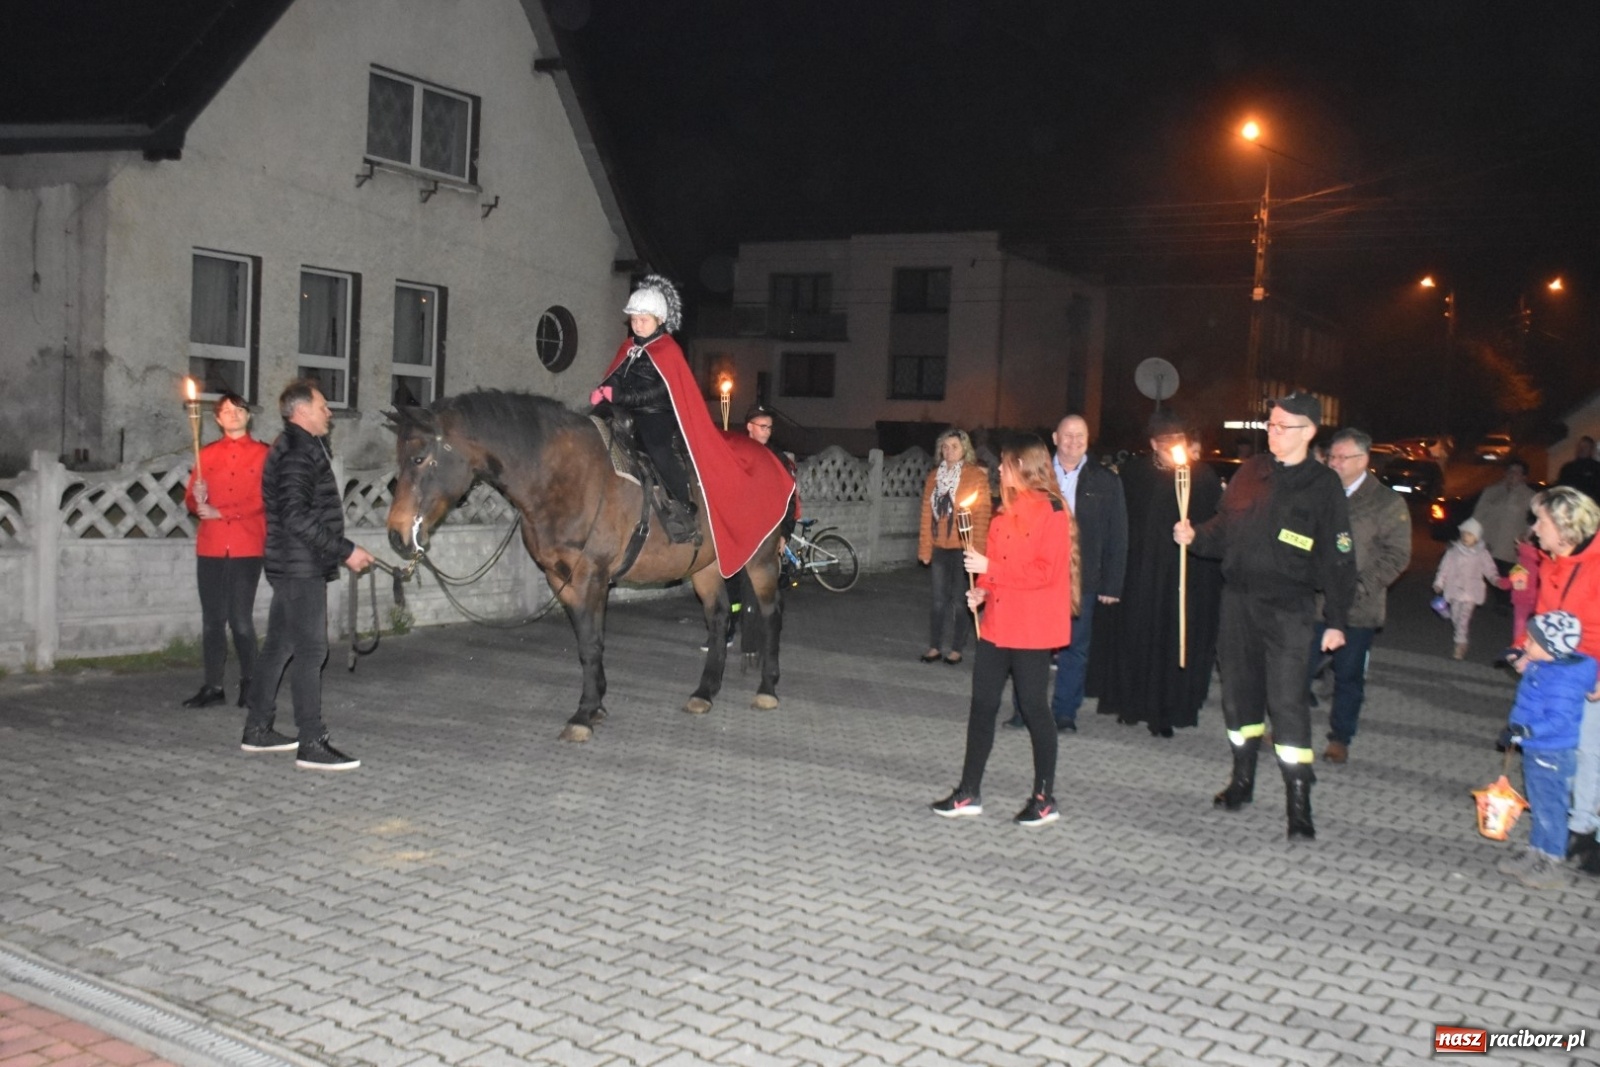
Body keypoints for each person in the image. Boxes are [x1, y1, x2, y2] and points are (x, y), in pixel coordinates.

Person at [1174, 392, 1355, 839]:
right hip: (1237, 604)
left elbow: (1338, 556)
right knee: (1239, 699)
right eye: (1270, 425)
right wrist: (1194, 535)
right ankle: (1242, 780)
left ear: (1309, 431)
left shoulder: (1323, 485)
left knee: (1287, 703)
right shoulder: (1250, 472)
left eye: (1282, 426)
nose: (1272, 433)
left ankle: (1299, 802)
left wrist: (1336, 619)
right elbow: (1223, 530)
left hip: (1288, 609)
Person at [931, 437, 1073, 826]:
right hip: (997, 624)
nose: (999, 470)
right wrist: (983, 590)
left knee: (1033, 707)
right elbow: (997, 572)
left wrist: (990, 567)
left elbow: (1046, 572)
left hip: (1031, 628)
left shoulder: (1054, 511)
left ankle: (1045, 797)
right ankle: (969, 791)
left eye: (1006, 464)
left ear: (1025, 467)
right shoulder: (1000, 512)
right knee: (982, 706)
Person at [241, 380, 374, 770]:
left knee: (280, 646)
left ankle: (258, 729)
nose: (328, 413)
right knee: (313, 651)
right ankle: (311, 740)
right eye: (322, 406)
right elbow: (296, 515)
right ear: (301, 411)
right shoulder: (299, 452)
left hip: (292, 563)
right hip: (300, 567)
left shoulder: (298, 446)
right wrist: (346, 550)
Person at [1091, 410, 1223, 737]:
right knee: (1135, 637)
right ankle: (1130, 703)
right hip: (1139, 576)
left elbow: (1216, 528)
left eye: (1177, 441)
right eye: (1164, 442)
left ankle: (1165, 710)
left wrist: (1195, 535)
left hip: (1181, 579)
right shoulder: (1135, 474)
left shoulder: (1202, 477)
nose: (1171, 447)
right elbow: (1120, 524)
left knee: (1171, 640)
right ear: (1152, 443)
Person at [1005, 415, 1126, 732]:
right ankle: (1025, 709)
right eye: (1068, 435)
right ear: (1055, 438)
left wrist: (1111, 583)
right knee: (1030, 646)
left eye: (1081, 435)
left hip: (1080, 577)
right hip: (1035, 576)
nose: (1074, 441)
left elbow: (1117, 535)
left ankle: (1064, 713)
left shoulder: (1105, 481)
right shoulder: (1035, 476)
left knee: (1075, 647)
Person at [1312, 429, 1411, 764]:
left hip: (1357, 608)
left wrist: (1358, 587)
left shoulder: (1386, 502)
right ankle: (1286, 724)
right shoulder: (1320, 491)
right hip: (1312, 602)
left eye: (1342, 458)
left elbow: (1397, 555)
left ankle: (1340, 736)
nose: (1335, 463)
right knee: (1295, 666)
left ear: (1363, 460)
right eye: (1331, 457)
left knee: (1348, 675)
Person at [1522, 487, 1600, 876]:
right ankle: (1560, 835)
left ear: (1566, 528)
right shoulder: (1553, 561)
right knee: (1556, 755)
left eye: (1542, 522)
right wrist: (1527, 649)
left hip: (1590, 672)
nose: (1534, 529)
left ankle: (1583, 831)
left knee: (1588, 755)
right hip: (1557, 672)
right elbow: (1543, 615)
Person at [591, 274, 700, 533]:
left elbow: (656, 391)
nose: (637, 325)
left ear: (659, 320)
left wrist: (616, 396)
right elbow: (615, 375)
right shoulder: (628, 347)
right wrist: (604, 390)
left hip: (654, 413)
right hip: (623, 408)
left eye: (643, 320)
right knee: (592, 427)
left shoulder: (669, 350)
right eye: (634, 320)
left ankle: (684, 501)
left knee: (658, 449)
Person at [1496, 611, 1596, 890]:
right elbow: (1535, 684)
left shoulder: (1563, 680)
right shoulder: (1547, 665)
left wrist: (1526, 731)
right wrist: (1517, 657)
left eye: (1532, 641)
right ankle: (1536, 851)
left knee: (1551, 808)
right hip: (1537, 748)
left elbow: (1559, 719)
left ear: (1552, 648)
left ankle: (1552, 860)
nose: (1526, 644)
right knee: (1539, 805)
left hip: (1552, 751)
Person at [181, 392, 268, 709]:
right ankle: (213, 686)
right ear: (216, 419)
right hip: (212, 546)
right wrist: (198, 500)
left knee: (241, 620)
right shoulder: (206, 454)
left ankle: (250, 682)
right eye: (226, 410)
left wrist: (225, 513)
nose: (232, 414)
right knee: (212, 620)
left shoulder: (263, 455)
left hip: (246, 545)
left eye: (238, 409)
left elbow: (265, 500)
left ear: (248, 416)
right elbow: (191, 500)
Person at [917, 428, 991, 665]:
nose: (949, 451)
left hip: (963, 547)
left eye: (954, 447)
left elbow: (981, 516)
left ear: (965, 449)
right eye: (945, 447)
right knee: (938, 600)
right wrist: (925, 549)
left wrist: (976, 551)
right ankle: (934, 646)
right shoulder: (933, 477)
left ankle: (957, 648)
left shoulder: (975, 476)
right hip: (940, 546)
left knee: (961, 600)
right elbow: (927, 516)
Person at [1468, 458, 1535, 606]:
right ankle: (1498, 600)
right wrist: (1470, 535)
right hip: (1489, 544)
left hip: (1512, 549)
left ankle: (1510, 601)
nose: (1512, 475)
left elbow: (1533, 522)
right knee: (1491, 574)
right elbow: (1478, 515)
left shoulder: (1530, 497)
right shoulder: (1492, 491)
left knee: (1511, 577)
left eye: (1517, 472)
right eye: (1510, 471)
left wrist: (1527, 539)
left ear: (1524, 477)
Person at [1433, 517, 1500, 660]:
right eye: (1463, 534)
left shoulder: (1482, 553)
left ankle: (1460, 645)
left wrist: (1495, 579)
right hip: (1454, 590)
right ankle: (1461, 638)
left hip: (1471, 592)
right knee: (1455, 617)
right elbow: (1444, 568)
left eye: (1469, 535)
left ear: (1476, 537)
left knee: (1463, 619)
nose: (1465, 537)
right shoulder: (1453, 551)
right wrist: (1439, 582)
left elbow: (1489, 568)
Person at [1556, 435, 1600, 504]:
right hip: (1570, 505)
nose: (1581, 449)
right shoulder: (1567, 468)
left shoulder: (1596, 468)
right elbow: (1560, 488)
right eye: (1580, 447)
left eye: (1585, 447)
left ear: (1591, 450)